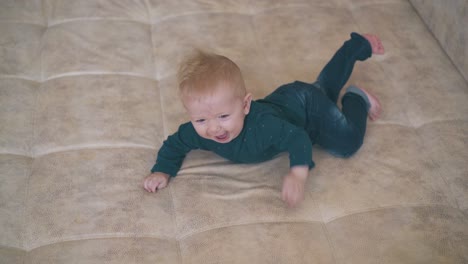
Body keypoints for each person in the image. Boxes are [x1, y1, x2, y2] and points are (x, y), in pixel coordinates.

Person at [143, 32, 384, 207]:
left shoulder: (262, 126)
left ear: (246, 104)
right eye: (201, 120)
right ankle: (358, 46)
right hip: (291, 102)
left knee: (348, 142)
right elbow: (174, 144)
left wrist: (297, 173)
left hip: (305, 109)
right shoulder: (197, 131)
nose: (213, 127)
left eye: (224, 116)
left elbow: (298, 138)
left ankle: (356, 98)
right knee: (325, 89)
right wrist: (162, 171)